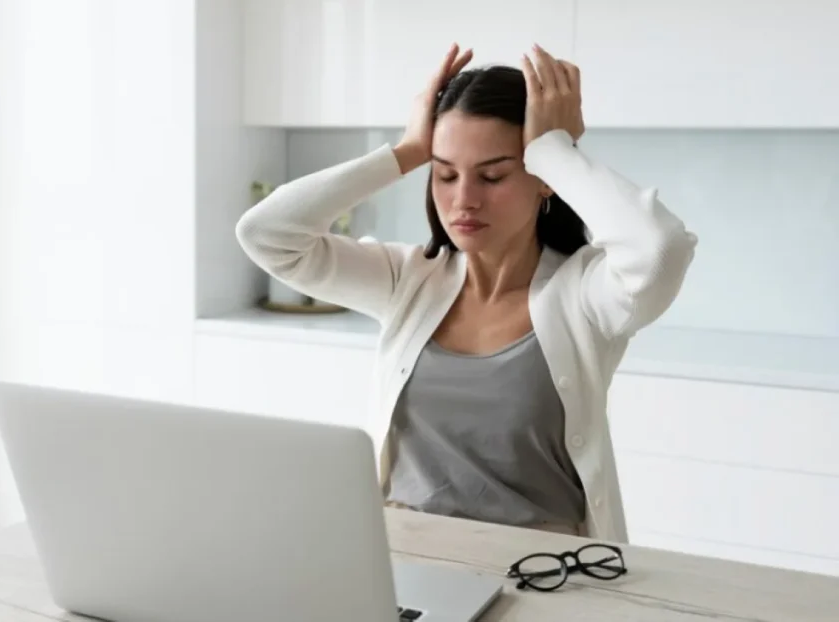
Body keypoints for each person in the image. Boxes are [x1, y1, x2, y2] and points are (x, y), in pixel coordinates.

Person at [234, 43, 697, 542]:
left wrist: (553, 151)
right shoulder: (408, 280)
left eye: (493, 175)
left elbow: (660, 250)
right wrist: (407, 151)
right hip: (401, 562)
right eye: (445, 173)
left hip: (541, 572)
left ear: (544, 182)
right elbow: (266, 234)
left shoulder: (585, 296)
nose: (463, 200)